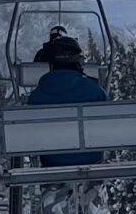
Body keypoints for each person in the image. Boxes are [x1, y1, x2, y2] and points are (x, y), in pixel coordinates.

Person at [24, 29, 108, 166]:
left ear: (52, 65)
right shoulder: (94, 90)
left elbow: (30, 131)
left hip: (52, 161)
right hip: (91, 158)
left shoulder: (37, 96)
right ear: (78, 62)